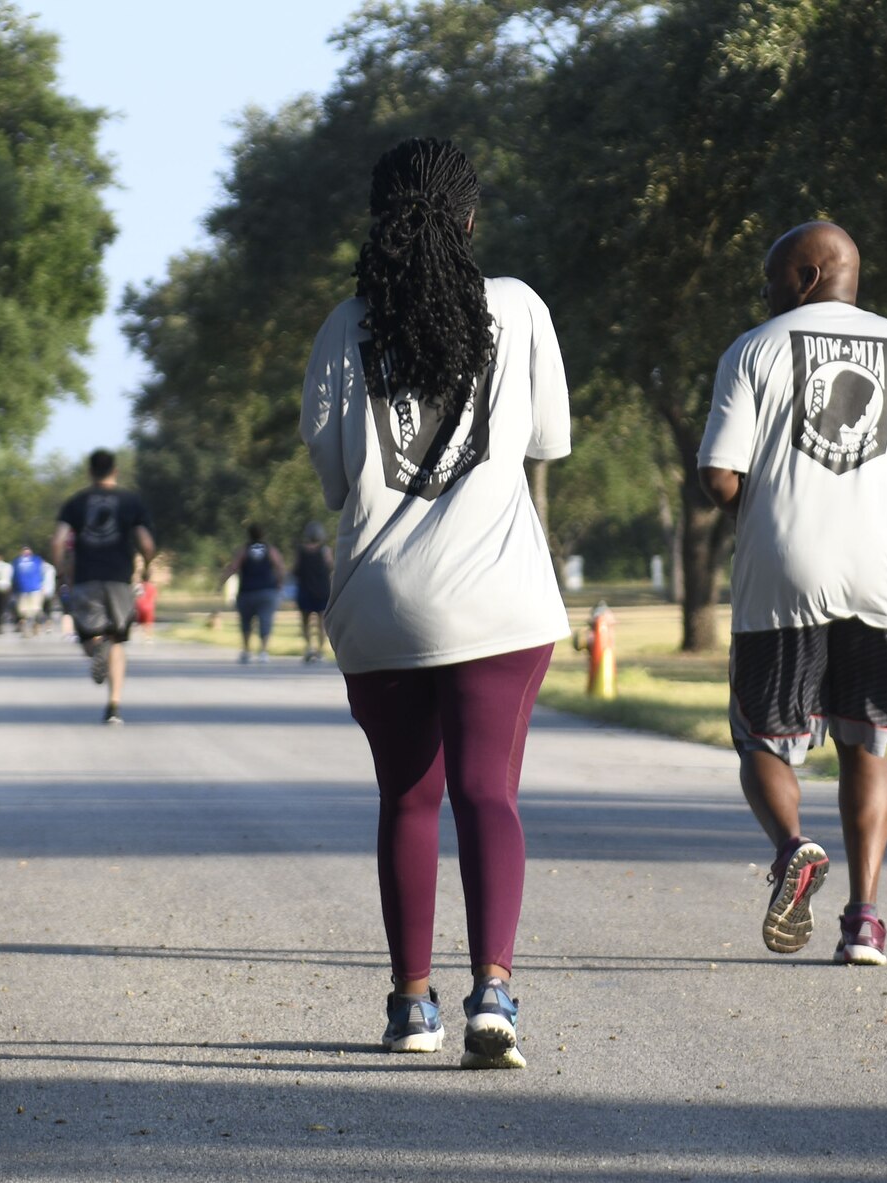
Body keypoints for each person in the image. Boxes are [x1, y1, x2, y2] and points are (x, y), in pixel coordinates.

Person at [301, 138, 571, 1068]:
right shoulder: (520, 309)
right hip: (498, 597)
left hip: (381, 604)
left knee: (407, 800)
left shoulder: (345, 327)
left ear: (379, 222)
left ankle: (411, 1006)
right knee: (487, 791)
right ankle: (493, 990)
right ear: (469, 218)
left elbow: (339, 479)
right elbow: (547, 440)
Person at [698, 221, 887, 968]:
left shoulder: (754, 350)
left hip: (783, 572)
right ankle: (865, 922)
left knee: (761, 739)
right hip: (884, 574)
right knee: (868, 744)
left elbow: (719, 476)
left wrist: (769, 512)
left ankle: (795, 846)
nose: (764, 292)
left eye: (771, 277)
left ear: (808, 277)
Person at [53, 449, 155, 725]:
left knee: (91, 636)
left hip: (87, 577)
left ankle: (97, 647)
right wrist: (146, 567)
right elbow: (146, 543)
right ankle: (114, 706)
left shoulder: (76, 502)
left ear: (90, 472)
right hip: (119, 579)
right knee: (117, 640)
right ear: (115, 471)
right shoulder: (131, 501)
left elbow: (58, 541)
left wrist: (61, 571)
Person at [223, 524, 286, 663]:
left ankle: (246, 650)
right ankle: (263, 651)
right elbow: (280, 566)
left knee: (246, 622)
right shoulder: (270, 549)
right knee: (266, 621)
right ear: (263, 535)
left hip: (247, 592)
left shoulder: (244, 550)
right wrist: (279, 583)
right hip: (267, 591)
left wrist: (222, 581)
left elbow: (233, 567)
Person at [295, 521, 334, 663]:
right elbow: (330, 567)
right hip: (322, 590)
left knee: (305, 621)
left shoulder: (301, 550)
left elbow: (296, 570)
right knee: (321, 622)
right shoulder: (325, 551)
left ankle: (309, 648)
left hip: (305, 589)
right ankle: (320, 651)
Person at [11, 545, 46, 636]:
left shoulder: (36, 560)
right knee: (24, 611)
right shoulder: (17, 561)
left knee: (34, 610)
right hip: (22, 589)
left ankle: (34, 626)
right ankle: (27, 628)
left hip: (34, 588)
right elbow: (14, 576)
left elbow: (41, 573)